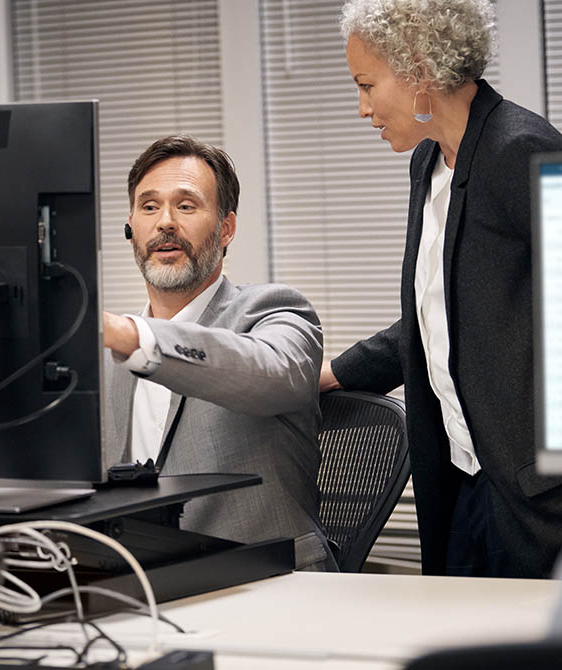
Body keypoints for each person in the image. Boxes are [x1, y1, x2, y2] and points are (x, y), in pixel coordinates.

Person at [320, 0, 562, 578]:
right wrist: (332, 375)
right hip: (464, 484)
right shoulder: (430, 161)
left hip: (534, 500)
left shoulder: (525, 150)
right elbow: (443, 313)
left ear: (419, 69)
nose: (362, 109)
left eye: (366, 85)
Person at [103, 135, 337, 571]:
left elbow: (270, 373)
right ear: (131, 226)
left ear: (226, 227)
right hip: (133, 593)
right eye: (149, 207)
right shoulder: (103, 358)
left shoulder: (276, 310)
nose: (165, 223)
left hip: (267, 588)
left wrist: (136, 339)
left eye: (186, 206)